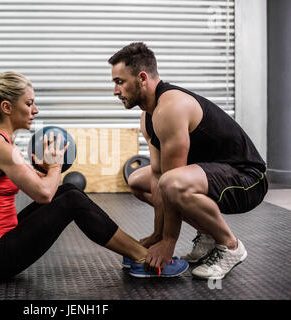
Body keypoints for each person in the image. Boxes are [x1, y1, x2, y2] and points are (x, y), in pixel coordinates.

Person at [0, 71, 188, 281]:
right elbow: (42, 194)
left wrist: (45, 170)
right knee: (71, 200)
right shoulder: (0, 147)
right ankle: (142, 258)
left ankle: (133, 253)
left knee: (69, 191)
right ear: (7, 107)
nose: (36, 110)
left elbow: (38, 185)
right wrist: (54, 167)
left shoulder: (2, 142)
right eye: (29, 104)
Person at [108, 42, 268, 280]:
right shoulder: (148, 115)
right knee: (138, 180)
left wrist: (168, 243)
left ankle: (230, 246)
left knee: (173, 183)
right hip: (213, 176)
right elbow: (157, 174)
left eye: (119, 81)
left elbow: (171, 181)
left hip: (248, 180)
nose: (115, 90)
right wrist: (158, 235)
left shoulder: (170, 108)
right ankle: (207, 234)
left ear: (142, 78)